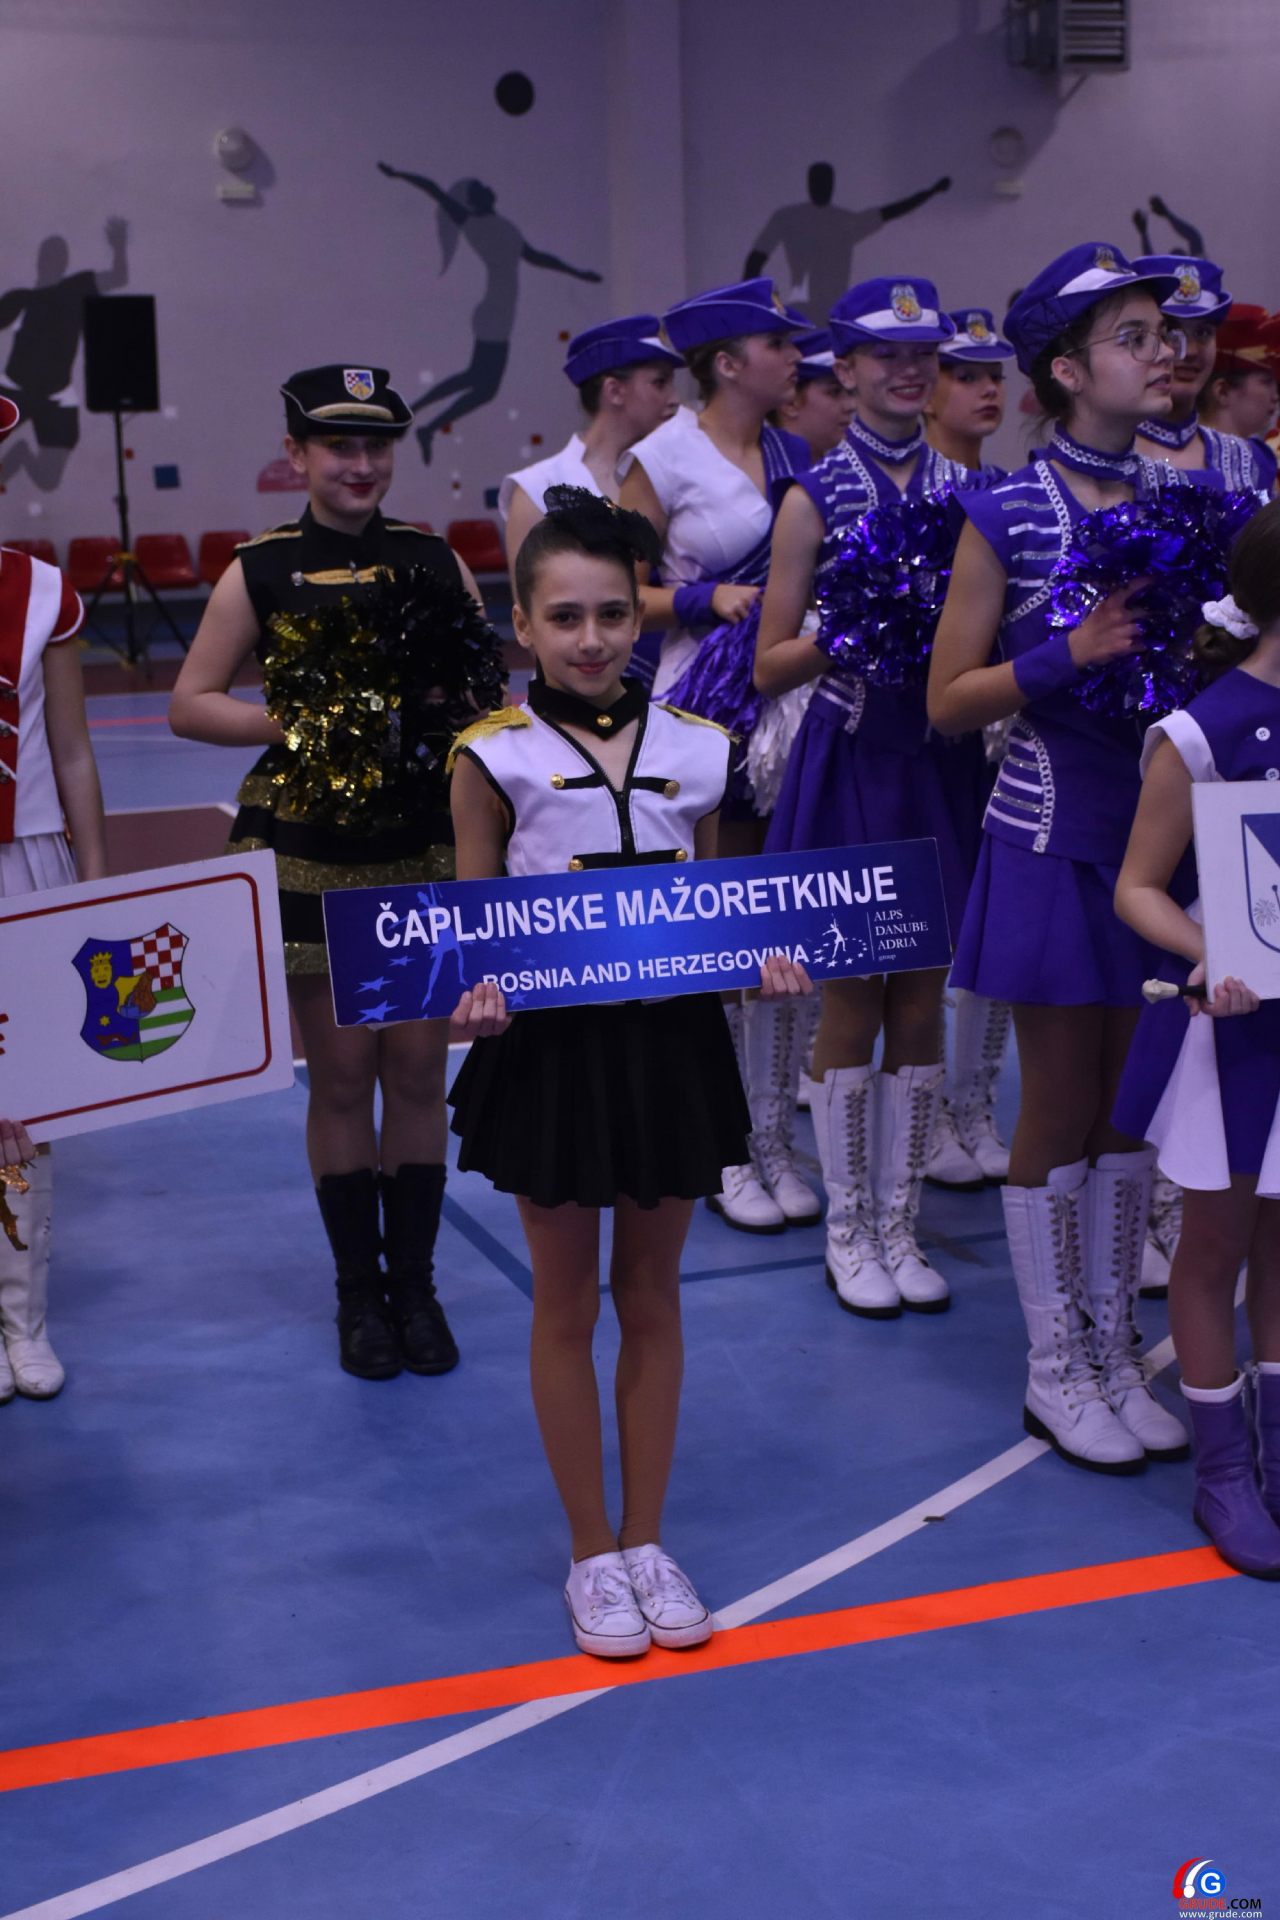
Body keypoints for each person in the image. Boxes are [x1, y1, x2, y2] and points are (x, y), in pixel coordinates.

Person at [446, 487, 812, 1657]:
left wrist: (756, 964)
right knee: (564, 1304)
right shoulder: (489, 756)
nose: (591, 638)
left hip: (667, 1050)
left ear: (640, 618)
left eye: (612, 613)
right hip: (551, 1055)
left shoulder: (700, 749)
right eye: (564, 617)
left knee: (651, 1296)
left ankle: (647, 1540)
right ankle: (590, 1554)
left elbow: (713, 908)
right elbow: (471, 922)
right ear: (521, 623)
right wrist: (477, 989)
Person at [926, 242, 1195, 1473]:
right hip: (1047, 837)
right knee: (1060, 1103)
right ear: (1066, 370)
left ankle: (1106, 1348)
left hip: (1157, 841)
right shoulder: (1003, 513)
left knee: (1131, 1110)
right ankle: (1053, 1371)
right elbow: (946, 701)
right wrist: (1064, 655)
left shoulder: (1182, 503)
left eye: (1160, 335)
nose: (1161, 354)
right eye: (1131, 337)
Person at [170, 366, 485, 1384]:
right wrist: (306, 726)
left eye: (376, 445)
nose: (360, 464)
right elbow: (190, 702)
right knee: (344, 1076)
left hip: (422, 843)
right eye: (338, 445)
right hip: (312, 847)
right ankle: (359, 1292)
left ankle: (416, 1286)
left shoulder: (434, 560)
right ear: (297, 453)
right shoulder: (260, 568)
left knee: (418, 1072)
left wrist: (439, 714)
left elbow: (483, 699)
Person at [754, 277, 985, 1316]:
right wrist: (855, 628)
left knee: (923, 994)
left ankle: (900, 1223)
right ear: (842, 368)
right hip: (853, 759)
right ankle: (848, 1231)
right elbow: (768, 663)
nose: (907, 370)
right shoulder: (812, 496)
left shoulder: (973, 486)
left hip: (941, 761)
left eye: (922, 354)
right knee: (851, 994)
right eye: (885, 354)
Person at [618, 278, 815, 1233]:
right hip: (703, 702)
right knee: (725, 917)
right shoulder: (660, 458)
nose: (796, 358)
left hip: (791, 700)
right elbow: (618, 593)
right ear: (728, 363)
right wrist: (706, 599)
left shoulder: (795, 452)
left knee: (781, 920)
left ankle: (771, 1135)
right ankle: (722, 1142)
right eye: (778, 345)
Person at [1112, 502, 1280, 1576]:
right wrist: (1210, 951)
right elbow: (1136, 886)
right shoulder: (1202, 731)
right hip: (1236, 1029)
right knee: (1214, 1247)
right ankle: (1223, 1474)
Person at [0, 397, 107, 1401]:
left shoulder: (42, 591)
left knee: (28, 1106)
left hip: (27, 865)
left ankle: (22, 1318)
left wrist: (99, 885)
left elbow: (71, 750)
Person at [922, 308, 1019, 1191]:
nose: (988, 389)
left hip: (1001, 739)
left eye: (996, 374)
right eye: (966, 373)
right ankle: (925, 1124)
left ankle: (973, 1106)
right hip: (918, 736)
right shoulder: (909, 488)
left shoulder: (1015, 491)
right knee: (919, 942)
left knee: (989, 929)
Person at [376, 165, 602, 465]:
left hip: (501, 312)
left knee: (478, 381)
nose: (486, 188)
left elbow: (537, 257)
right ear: (473, 201)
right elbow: (434, 190)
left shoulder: (503, 226)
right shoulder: (471, 222)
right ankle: (419, 417)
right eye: (478, 188)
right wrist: (400, 175)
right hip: (494, 311)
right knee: (484, 385)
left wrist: (578, 273)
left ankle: (423, 422)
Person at [499, 314, 682, 594]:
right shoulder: (538, 488)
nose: (675, 399)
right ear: (614, 391)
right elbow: (528, 607)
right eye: (660, 383)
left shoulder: (682, 470)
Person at [0, 220, 129, 492]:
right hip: (16, 390)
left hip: (55, 397)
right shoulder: (21, 299)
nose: (51, 264)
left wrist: (119, 246)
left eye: (57, 259)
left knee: (48, 480)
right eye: (47, 259)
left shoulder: (75, 289)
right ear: (39, 263)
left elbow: (119, 277)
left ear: (63, 264)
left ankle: (20, 454)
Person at [1133, 259, 1277, 494]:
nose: (1190, 351)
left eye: (1203, 332)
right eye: (1170, 332)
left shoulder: (1251, 462)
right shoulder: (1108, 457)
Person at [744, 162, 951, 323]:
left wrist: (930, 192)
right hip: (810, 307)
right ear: (809, 184)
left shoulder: (842, 222)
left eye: (825, 182)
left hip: (831, 309)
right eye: (818, 181)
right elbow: (756, 258)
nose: (822, 187)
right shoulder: (793, 218)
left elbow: (892, 211)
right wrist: (751, 302)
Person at [1199, 305, 1280, 446]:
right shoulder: (1189, 454)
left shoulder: (1261, 453)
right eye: (1267, 382)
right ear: (1222, 391)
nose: (1276, 396)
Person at [772, 329, 858, 462]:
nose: (851, 406)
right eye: (834, 392)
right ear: (790, 402)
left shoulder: (847, 469)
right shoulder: (756, 472)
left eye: (851, 392)